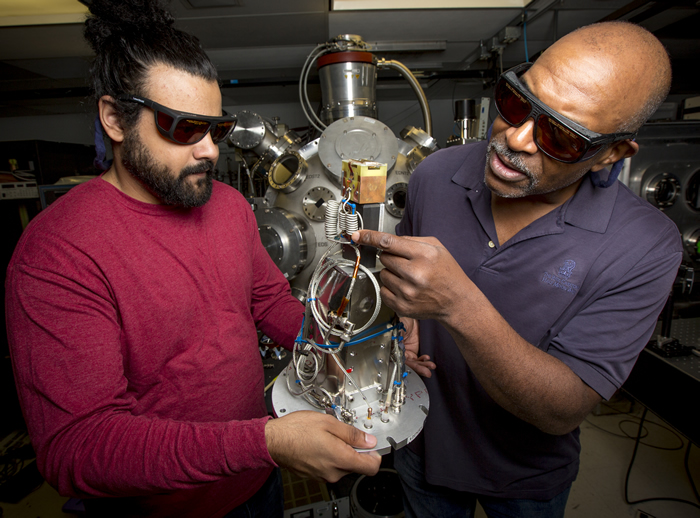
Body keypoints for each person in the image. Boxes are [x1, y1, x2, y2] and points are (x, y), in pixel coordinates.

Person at [5, 1, 380, 517]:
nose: (208, 150)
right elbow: (78, 447)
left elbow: (269, 301)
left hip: (255, 485)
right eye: (184, 128)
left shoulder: (226, 206)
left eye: (216, 129)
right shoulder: (59, 250)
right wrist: (266, 442)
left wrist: (356, 351)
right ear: (115, 118)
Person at [352, 21, 682, 518]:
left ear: (611, 153)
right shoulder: (436, 175)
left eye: (562, 136)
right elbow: (406, 278)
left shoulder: (645, 245)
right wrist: (409, 320)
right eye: (515, 102)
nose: (517, 138)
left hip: (526, 475)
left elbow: (562, 409)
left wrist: (460, 305)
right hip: (422, 443)